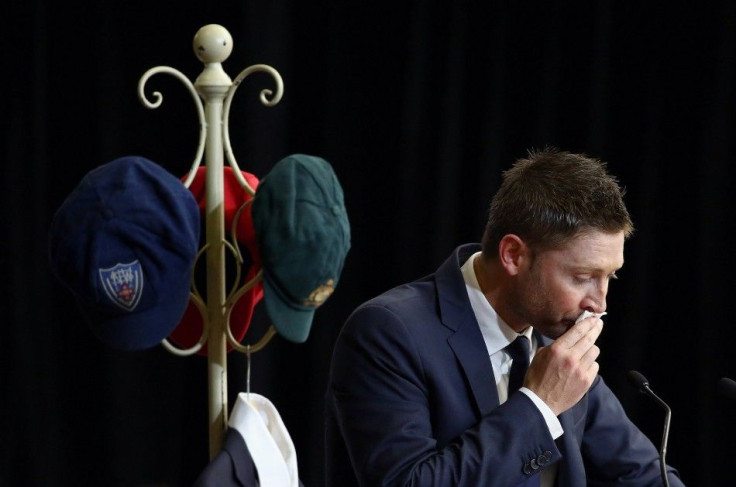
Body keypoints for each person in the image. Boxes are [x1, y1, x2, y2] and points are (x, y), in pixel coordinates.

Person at [324, 148, 685, 486]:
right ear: (513, 254)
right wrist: (539, 403)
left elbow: (647, 475)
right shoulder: (389, 330)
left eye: (611, 277)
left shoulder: (553, 334)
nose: (599, 303)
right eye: (582, 277)